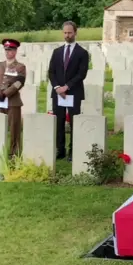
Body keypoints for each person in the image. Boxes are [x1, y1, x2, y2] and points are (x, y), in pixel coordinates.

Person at [48, 21, 89, 162]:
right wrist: (57, 88)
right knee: (58, 122)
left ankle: (73, 150)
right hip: (58, 93)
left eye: (70, 33)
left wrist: (67, 87)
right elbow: (51, 72)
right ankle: (60, 150)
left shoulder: (82, 53)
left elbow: (81, 74)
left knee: (73, 123)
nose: (67, 35)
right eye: (65, 33)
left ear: (75, 33)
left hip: (73, 92)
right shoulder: (57, 52)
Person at [0, 39, 26, 157]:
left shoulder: (20, 67)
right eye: (6, 50)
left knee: (14, 128)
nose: (7, 52)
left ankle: (13, 153)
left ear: (15, 51)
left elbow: (19, 83)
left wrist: (5, 93)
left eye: (10, 50)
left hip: (12, 101)